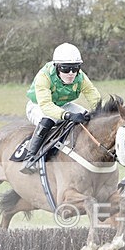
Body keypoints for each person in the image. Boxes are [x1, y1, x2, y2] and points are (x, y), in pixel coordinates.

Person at [22, 42, 101, 174]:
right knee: (48, 119)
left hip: (63, 105)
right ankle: (30, 158)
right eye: (65, 69)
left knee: (88, 116)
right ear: (57, 66)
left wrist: (100, 111)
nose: (71, 73)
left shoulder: (80, 77)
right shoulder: (44, 76)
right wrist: (67, 115)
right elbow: (46, 106)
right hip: (38, 106)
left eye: (75, 68)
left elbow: (94, 96)